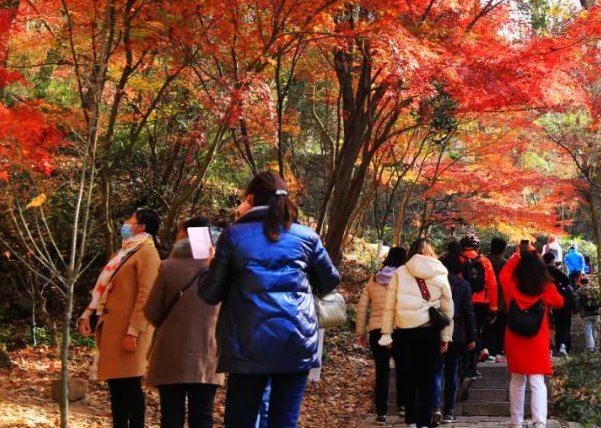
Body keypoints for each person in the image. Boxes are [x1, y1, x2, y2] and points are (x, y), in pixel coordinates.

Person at [198, 171, 340, 428]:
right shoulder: (307, 237)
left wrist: (210, 267)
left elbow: (210, 294)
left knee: (240, 420)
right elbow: (330, 282)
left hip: (248, 343)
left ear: (251, 198)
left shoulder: (234, 236)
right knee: (284, 421)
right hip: (296, 341)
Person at [78, 208, 162, 428]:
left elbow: (146, 295)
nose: (125, 223)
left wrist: (133, 330)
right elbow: (104, 288)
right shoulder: (125, 251)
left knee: (130, 386)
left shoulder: (148, 253)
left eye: (130, 220)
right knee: (116, 386)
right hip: (113, 327)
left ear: (141, 226)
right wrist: (89, 313)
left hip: (130, 330)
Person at [144, 216, 223, 428]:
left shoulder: (168, 267)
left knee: (171, 416)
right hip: (208, 353)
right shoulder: (221, 271)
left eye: (180, 231)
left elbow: (151, 310)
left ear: (186, 235)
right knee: (203, 416)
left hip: (172, 352)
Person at [379, 238, 454, 428]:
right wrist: (446, 336)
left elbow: (390, 306)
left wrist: (387, 333)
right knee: (429, 379)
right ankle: (424, 422)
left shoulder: (400, 272)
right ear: (431, 252)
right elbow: (447, 308)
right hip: (430, 333)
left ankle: (411, 421)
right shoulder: (440, 271)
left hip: (404, 332)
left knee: (408, 378)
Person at [499, 246, 564, 428]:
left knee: (517, 380)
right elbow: (560, 302)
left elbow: (503, 274)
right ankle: (539, 422)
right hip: (537, 338)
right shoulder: (545, 286)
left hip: (515, 336)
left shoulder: (512, 283)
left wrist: (515, 257)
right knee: (537, 381)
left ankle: (516, 421)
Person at [356, 246, 408, 424]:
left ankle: (381, 413)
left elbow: (362, 307)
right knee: (402, 368)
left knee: (382, 371)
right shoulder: (404, 278)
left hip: (376, 330)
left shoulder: (374, 278)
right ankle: (402, 406)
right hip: (398, 329)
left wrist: (361, 331)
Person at [440, 252, 476, 424]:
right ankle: (449, 411)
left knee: (436, 371)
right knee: (452, 371)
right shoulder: (463, 285)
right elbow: (469, 312)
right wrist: (472, 337)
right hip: (456, 331)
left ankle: (434, 407)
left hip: (436, 331)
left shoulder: (435, 283)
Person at [458, 235, 497, 367]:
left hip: (463, 302)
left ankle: (463, 362)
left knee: (463, 330)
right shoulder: (485, 262)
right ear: (477, 247)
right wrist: (493, 307)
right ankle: (473, 365)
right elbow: (492, 285)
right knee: (477, 330)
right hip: (482, 302)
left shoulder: (458, 260)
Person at [543, 251, 576, 356]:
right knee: (562, 325)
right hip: (561, 302)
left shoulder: (539, 273)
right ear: (553, 260)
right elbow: (567, 283)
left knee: (547, 326)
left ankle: (549, 348)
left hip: (544, 303)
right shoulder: (558, 273)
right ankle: (563, 345)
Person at [485, 237, 508, 361]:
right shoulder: (504, 263)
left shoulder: (485, 260)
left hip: (484, 298)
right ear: (503, 249)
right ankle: (497, 351)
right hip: (500, 299)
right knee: (499, 327)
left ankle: (486, 349)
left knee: (486, 326)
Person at [576, 276, 600, 352]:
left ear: (581, 283)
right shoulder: (594, 290)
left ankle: (591, 347)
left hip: (586, 314)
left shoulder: (580, 291)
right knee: (594, 330)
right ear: (588, 282)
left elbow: (576, 302)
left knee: (588, 330)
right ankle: (594, 346)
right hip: (596, 313)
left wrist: (577, 311)